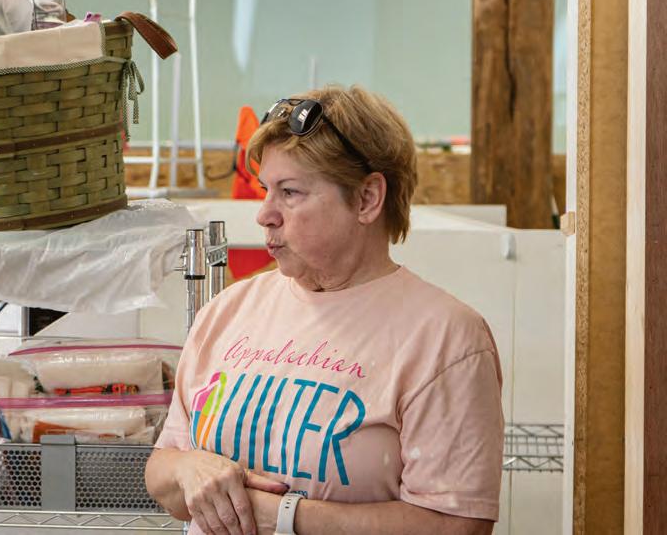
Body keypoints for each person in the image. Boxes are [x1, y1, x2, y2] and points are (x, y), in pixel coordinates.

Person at [145, 85, 504, 535]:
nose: (264, 214)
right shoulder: (228, 311)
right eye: (266, 190)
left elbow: (458, 526)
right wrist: (189, 469)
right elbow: (162, 470)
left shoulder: (445, 337)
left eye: (290, 192)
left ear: (366, 199)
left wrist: (285, 517)